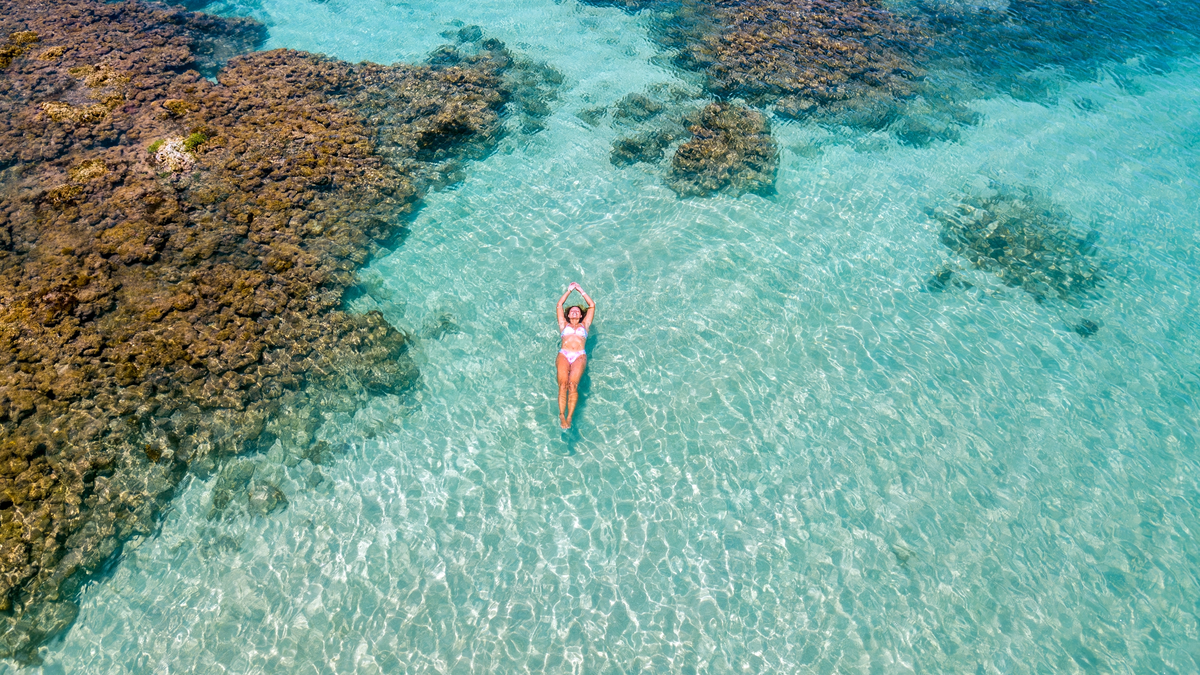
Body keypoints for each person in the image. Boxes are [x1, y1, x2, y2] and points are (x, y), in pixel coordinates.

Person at [555, 282, 595, 429]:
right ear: (568, 314)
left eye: (577, 311)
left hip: (579, 355)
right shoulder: (563, 324)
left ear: (581, 315)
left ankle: (569, 416)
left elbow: (591, 305)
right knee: (562, 385)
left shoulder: (585, 325)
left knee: (573, 385)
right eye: (572, 311)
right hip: (564, 354)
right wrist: (569, 291)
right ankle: (561, 415)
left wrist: (581, 290)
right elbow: (559, 305)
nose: (575, 312)